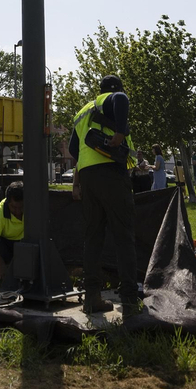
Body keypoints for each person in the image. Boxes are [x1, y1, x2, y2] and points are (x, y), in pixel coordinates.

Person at [69, 74, 142, 314]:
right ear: (115, 88)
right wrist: (120, 134)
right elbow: (121, 100)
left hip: (89, 177)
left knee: (93, 238)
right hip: (111, 172)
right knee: (123, 234)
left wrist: (80, 179)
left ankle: (92, 298)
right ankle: (130, 296)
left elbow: (73, 148)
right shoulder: (111, 99)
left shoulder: (83, 112)